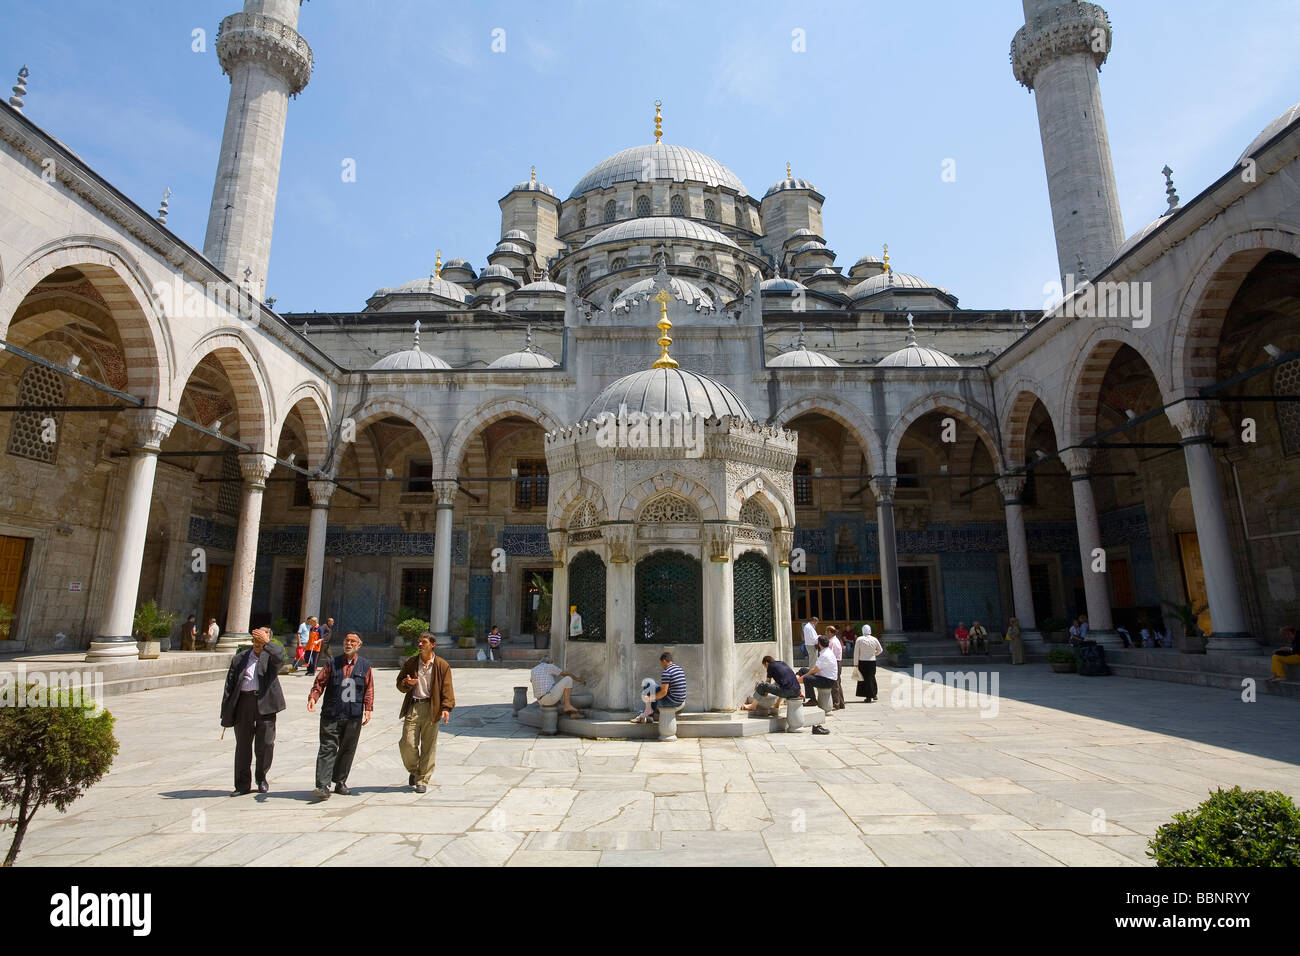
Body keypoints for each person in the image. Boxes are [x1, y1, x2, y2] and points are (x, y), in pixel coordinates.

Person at [219, 626, 286, 796]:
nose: (258, 644)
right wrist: (227, 711)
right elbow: (229, 686)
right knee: (243, 745)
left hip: (265, 703)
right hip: (244, 703)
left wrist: (267, 643)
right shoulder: (240, 659)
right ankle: (242, 784)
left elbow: (280, 657)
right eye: (256, 640)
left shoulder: (270, 657)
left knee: (265, 743)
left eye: (261, 640)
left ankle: (261, 776)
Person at [307, 632, 373, 800]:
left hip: (353, 714)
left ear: (359, 645)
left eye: (353, 642)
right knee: (327, 748)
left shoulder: (365, 666)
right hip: (332, 713)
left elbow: (368, 688)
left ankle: (340, 781)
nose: (349, 644)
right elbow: (320, 682)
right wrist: (313, 698)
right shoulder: (332, 664)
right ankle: (322, 785)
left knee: (347, 749)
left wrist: (368, 708)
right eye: (347, 641)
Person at [396, 633, 454, 794]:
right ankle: (414, 770)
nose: (420, 644)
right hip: (414, 706)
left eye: (424, 642)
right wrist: (407, 683)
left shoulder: (441, 665)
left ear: (433, 644)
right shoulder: (411, 663)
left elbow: (447, 688)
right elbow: (399, 684)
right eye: (419, 642)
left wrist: (446, 708)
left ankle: (422, 779)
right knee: (407, 743)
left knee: (428, 746)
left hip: (432, 707)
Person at [797, 636, 836, 735]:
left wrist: (803, 678)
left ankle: (812, 700)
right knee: (802, 670)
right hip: (823, 676)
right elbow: (815, 669)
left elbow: (815, 670)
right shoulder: (825, 652)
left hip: (827, 680)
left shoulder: (825, 655)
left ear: (819, 644)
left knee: (807, 678)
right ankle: (795, 683)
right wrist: (799, 677)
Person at [640, 651, 687, 723]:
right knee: (653, 687)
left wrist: (649, 698)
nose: (662, 665)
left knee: (648, 683)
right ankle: (649, 712)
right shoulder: (679, 669)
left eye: (661, 663)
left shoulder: (667, 672)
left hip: (671, 702)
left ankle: (650, 713)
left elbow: (663, 693)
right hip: (680, 700)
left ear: (664, 661)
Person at [853, 624, 883, 701]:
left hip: (862, 661)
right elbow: (880, 650)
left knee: (865, 679)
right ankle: (874, 694)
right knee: (871, 677)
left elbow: (856, 652)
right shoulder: (874, 639)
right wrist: (874, 654)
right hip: (872, 661)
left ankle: (868, 696)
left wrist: (855, 663)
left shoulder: (859, 639)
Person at [827, 626, 845, 710]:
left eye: (827, 632)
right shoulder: (835, 640)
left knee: (835, 684)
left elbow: (830, 655)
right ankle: (841, 703)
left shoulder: (832, 642)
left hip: (835, 663)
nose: (826, 633)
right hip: (837, 662)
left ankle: (836, 703)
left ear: (830, 632)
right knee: (837, 683)